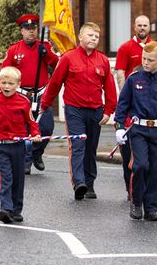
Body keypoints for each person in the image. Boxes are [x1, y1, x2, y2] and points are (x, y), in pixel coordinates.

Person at [41, 22, 118, 201]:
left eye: (97, 36)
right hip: (74, 109)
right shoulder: (68, 58)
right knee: (78, 145)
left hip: (96, 110)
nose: (94, 38)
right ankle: (79, 183)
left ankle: (90, 183)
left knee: (91, 148)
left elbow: (109, 87)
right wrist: (45, 104)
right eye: (90, 35)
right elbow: (55, 83)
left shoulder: (103, 60)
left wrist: (109, 111)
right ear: (81, 37)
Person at [114, 42, 157, 221]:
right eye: (144, 58)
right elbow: (123, 105)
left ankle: (151, 208)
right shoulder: (133, 79)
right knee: (141, 165)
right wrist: (120, 127)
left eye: (150, 60)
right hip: (138, 130)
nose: (145, 62)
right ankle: (136, 203)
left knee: (155, 170)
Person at [113, 14, 157, 196]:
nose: (142, 28)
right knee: (131, 157)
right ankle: (132, 190)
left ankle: (144, 195)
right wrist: (128, 99)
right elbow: (120, 73)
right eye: (139, 25)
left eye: (145, 25)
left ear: (149, 27)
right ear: (134, 27)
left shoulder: (155, 48)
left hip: (152, 111)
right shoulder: (125, 48)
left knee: (149, 163)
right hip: (133, 108)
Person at [1, 14, 59, 174]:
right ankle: (26, 162)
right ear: (22, 31)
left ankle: (36, 153)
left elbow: (58, 65)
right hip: (21, 95)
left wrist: (46, 54)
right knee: (24, 129)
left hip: (41, 95)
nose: (31, 32)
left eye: (33, 28)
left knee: (46, 128)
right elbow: (5, 72)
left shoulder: (44, 47)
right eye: (27, 29)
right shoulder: (14, 49)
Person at [0, 66, 41, 224]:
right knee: (6, 178)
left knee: (18, 179)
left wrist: (35, 134)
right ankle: (6, 208)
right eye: (4, 82)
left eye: (10, 83)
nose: (6, 86)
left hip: (18, 146)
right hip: (1, 146)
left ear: (18, 84)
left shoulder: (23, 102)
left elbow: (31, 121)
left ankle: (17, 210)